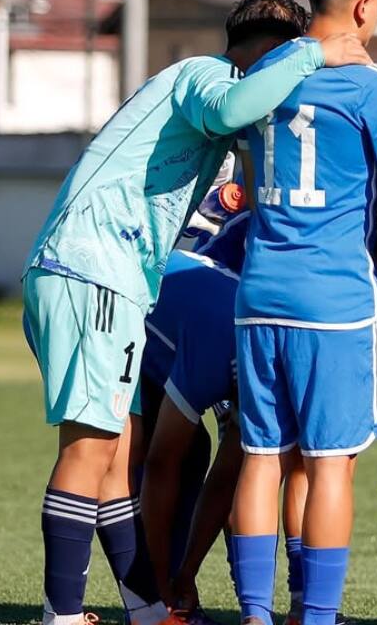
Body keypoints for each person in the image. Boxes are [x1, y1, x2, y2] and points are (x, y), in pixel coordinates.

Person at [22, 0, 366, 625]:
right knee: (89, 452)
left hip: (111, 277)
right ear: (274, 50)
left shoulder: (218, 101)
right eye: (293, 54)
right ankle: (63, 615)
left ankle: (148, 608)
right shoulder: (209, 77)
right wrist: (316, 51)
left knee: (116, 457)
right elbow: (237, 106)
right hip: (91, 268)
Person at [230, 0, 377, 625]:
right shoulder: (375, 83)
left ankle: (253, 611)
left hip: (260, 290)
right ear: (364, 5)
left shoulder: (270, 67)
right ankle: (318, 613)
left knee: (261, 456)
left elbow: (247, 171)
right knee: (330, 463)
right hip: (333, 298)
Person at [137, 249, 242, 622]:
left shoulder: (253, 360)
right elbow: (160, 463)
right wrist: (163, 591)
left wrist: (188, 572)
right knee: (143, 457)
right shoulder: (218, 354)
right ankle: (149, 598)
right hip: (99, 310)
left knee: (198, 453)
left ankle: (169, 585)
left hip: (184, 322)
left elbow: (227, 479)